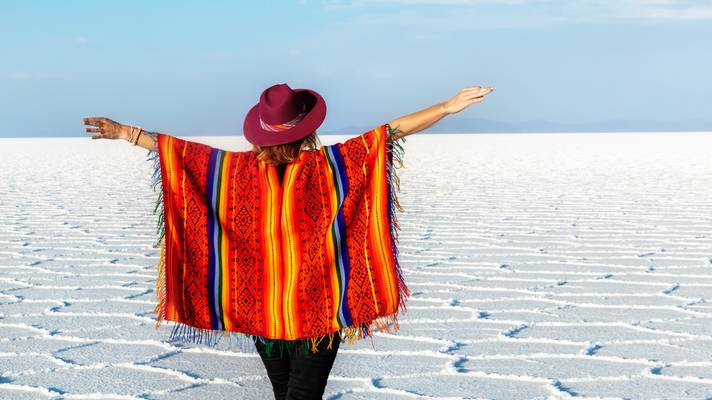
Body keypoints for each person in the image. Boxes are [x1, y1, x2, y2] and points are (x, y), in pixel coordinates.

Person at [82, 83, 492, 400]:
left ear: (258, 134)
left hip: (262, 311)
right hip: (319, 310)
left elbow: (178, 152)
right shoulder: (332, 167)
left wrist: (126, 132)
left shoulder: (232, 172)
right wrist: (446, 106)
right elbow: (389, 133)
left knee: (289, 395)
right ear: (306, 132)